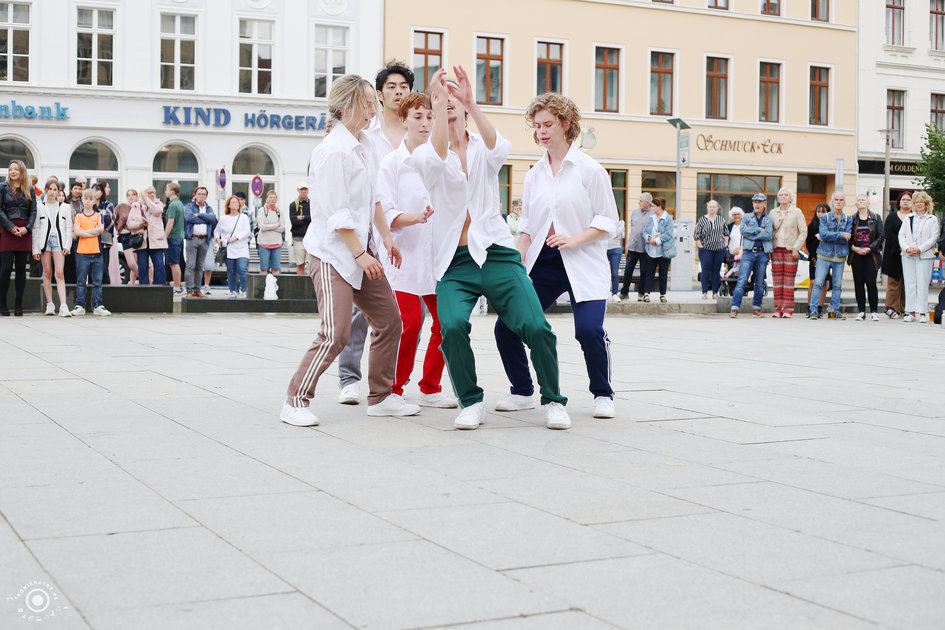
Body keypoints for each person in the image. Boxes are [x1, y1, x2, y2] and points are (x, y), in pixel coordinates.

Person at [408, 68, 569, 430]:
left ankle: (553, 401)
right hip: (454, 261)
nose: (448, 103)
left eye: (454, 99)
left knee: (536, 326)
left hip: (497, 253)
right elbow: (436, 158)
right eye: (440, 101)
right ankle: (471, 402)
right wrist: (437, 104)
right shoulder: (423, 154)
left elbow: (500, 147)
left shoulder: (484, 146)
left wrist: (471, 102)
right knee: (451, 327)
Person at [281, 74, 420, 427]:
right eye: (367, 102)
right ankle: (295, 400)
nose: (373, 108)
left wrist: (386, 239)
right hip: (333, 255)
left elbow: (374, 199)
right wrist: (360, 254)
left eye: (373, 102)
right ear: (347, 106)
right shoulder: (332, 151)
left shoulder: (364, 145)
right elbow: (335, 212)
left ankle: (381, 397)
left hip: (362, 252)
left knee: (389, 321)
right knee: (336, 333)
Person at [494, 92, 618, 419]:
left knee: (589, 331)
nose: (541, 131)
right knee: (506, 327)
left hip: (583, 260)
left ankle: (603, 394)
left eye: (548, 124)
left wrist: (576, 239)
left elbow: (609, 221)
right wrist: (515, 262)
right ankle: (522, 391)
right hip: (543, 263)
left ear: (566, 123)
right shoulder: (534, 174)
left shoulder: (590, 170)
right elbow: (527, 227)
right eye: (537, 126)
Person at [335, 60, 416, 406]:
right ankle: (349, 378)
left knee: (404, 313)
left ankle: (391, 385)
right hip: (369, 234)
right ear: (379, 95)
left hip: (410, 234)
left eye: (404, 87)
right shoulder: (368, 137)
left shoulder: (420, 135)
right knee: (359, 312)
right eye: (391, 87)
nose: (398, 92)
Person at [376, 91, 457, 409]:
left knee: (447, 322)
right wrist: (416, 217)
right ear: (404, 120)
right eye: (418, 117)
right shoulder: (392, 163)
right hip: (403, 257)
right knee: (408, 323)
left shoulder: (443, 159)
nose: (425, 123)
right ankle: (394, 388)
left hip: (438, 257)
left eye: (429, 117)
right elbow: (385, 211)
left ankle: (430, 387)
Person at [0, 159, 36, 316]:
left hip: (24, 231)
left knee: (21, 268)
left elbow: (33, 211)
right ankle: (2, 303)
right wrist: (10, 227)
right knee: (6, 267)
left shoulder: (30, 189)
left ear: (22, 171)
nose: (12, 172)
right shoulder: (2, 187)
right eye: (10, 169)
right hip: (7, 230)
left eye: (15, 169)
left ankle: (18, 304)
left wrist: (27, 228)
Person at [808, 190, 852, 320]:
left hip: (840, 256)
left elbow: (847, 238)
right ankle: (813, 310)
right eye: (836, 200)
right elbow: (824, 234)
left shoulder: (848, 219)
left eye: (841, 200)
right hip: (824, 255)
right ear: (832, 202)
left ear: (844, 202)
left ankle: (834, 311)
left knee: (837, 285)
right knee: (818, 283)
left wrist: (830, 237)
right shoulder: (824, 218)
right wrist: (841, 235)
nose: (838, 202)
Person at [32, 178, 72, 316]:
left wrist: (67, 245)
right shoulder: (39, 207)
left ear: (58, 191)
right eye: (50, 189)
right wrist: (35, 249)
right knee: (47, 272)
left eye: (55, 189)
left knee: (59, 273)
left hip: (59, 242)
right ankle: (50, 304)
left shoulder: (65, 207)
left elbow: (68, 227)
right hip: (44, 242)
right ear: (46, 190)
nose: (52, 192)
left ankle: (63, 306)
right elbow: (36, 228)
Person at [899, 190, 939, 323]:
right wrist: (907, 248)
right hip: (908, 255)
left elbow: (934, 237)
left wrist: (920, 249)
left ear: (926, 203)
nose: (919, 204)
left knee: (922, 284)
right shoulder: (908, 218)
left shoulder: (932, 219)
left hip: (925, 256)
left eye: (921, 202)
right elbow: (901, 235)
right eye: (916, 202)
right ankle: (910, 312)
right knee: (910, 284)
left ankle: (922, 312)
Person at [730, 193, 773, 318]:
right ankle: (734, 309)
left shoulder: (768, 219)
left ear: (764, 204)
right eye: (755, 202)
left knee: (759, 283)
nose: (757, 204)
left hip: (762, 253)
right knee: (742, 281)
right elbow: (743, 231)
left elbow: (768, 235)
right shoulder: (747, 217)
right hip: (748, 253)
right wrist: (759, 230)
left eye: (760, 202)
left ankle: (756, 309)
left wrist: (752, 234)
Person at [71, 189, 111, 316]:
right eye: (85, 198)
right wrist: (91, 232)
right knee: (81, 281)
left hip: (96, 252)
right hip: (82, 252)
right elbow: (77, 231)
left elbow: (100, 230)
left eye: (90, 199)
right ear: (82, 199)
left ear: (94, 201)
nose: (87, 201)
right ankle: (80, 305)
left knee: (97, 282)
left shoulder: (98, 216)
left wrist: (84, 233)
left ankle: (98, 305)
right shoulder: (79, 216)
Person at [769, 187, 806, 317]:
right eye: (781, 195)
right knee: (777, 281)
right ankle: (778, 309)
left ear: (791, 198)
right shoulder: (773, 212)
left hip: (791, 250)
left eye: (786, 195)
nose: (783, 197)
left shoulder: (797, 212)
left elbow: (803, 232)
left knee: (789, 281)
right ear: (778, 198)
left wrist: (796, 247)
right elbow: (769, 231)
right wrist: (769, 248)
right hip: (776, 250)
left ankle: (788, 309)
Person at [848, 193, 884, 321]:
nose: (861, 201)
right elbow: (848, 237)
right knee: (858, 283)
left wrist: (870, 248)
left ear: (868, 203)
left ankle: (874, 311)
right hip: (856, 255)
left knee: (871, 282)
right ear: (855, 204)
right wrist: (854, 248)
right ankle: (861, 311)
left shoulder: (876, 218)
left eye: (863, 199)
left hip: (871, 255)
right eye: (859, 200)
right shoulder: (851, 219)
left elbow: (881, 236)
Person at [129, 185, 168, 286]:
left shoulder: (158, 204)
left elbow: (157, 211)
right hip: (142, 240)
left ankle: (159, 287)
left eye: (153, 192)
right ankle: (144, 289)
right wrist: (140, 225)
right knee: (143, 266)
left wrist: (147, 199)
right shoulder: (136, 206)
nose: (152, 194)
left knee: (159, 265)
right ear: (144, 194)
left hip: (156, 240)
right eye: (149, 193)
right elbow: (129, 223)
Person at [214, 195, 252, 298]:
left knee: (242, 269)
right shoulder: (224, 218)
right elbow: (217, 231)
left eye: (237, 202)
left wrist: (236, 238)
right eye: (233, 202)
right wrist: (218, 239)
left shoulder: (243, 217)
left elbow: (247, 231)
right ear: (229, 205)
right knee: (231, 271)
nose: (236, 204)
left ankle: (244, 290)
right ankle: (233, 290)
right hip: (229, 249)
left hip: (242, 247)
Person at [618, 193, 654, 301]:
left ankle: (641, 293)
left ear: (647, 203)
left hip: (645, 248)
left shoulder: (653, 214)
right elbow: (634, 228)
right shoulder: (635, 212)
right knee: (628, 270)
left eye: (641, 201)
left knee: (644, 271)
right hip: (633, 246)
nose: (639, 202)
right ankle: (624, 293)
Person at [183, 185, 217, 297]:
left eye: (203, 194)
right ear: (195, 195)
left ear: (206, 196)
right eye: (199, 194)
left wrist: (200, 215)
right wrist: (206, 219)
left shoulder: (209, 208)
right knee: (190, 265)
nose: (201, 196)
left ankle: (197, 290)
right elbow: (189, 218)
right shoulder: (189, 206)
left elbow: (213, 220)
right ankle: (189, 290)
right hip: (192, 238)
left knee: (200, 266)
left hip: (205, 240)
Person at [881, 191, 911, 318]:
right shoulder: (892, 217)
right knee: (894, 282)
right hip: (894, 254)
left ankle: (903, 308)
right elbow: (889, 234)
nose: (906, 202)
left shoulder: (914, 217)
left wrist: (909, 248)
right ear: (899, 202)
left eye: (908, 200)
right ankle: (891, 308)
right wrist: (901, 246)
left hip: (910, 254)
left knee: (907, 283)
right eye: (903, 199)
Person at [694, 200, 729, 299]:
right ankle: (704, 292)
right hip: (706, 249)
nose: (712, 208)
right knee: (705, 270)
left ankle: (715, 292)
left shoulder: (721, 219)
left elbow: (726, 233)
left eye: (714, 207)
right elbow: (696, 235)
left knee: (716, 271)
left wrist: (725, 243)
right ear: (707, 208)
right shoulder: (702, 220)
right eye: (710, 206)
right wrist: (700, 245)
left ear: (717, 208)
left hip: (719, 249)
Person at [642, 197, 674, 303]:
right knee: (649, 272)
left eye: (654, 206)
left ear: (660, 206)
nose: (652, 208)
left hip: (664, 251)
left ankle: (662, 295)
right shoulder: (651, 218)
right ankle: (646, 294)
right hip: (651, 250)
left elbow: (668, 234)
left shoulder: (668, 218)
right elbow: (645, 231)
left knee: (663, 274)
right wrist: (649, 239)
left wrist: (657, 241)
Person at [805, 203, 831, 317]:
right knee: (813, 282)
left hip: (826, 258)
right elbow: (808, 243)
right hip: (814, 258)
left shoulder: (830, 226)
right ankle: (810, 307)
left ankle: (819, 308)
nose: (820, 214)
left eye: (823, 212)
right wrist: (814, 257)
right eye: (818, 211)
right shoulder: (812, 226)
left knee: (824, 282)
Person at [89, 181, 114, 285]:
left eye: (98, 190)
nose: (96, 192)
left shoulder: (108, 204)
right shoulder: (89, 204)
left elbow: (108, 219)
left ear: (102, 192)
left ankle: (106, 291)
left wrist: (95, 218)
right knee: (91, 268)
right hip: (90, 240)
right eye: (94, 190)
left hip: (104, 240)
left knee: (103, 267)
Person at [163, 184, 185, 298]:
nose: (165, 192)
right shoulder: (180, 203)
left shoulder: (172, 205)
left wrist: (164, 237)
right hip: (179, 237)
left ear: (172, 192)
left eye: (167, 190)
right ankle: (178, 287)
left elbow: (170, 223)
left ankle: (177, 288)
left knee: (174, 264)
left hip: (172, 237)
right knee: (176, 263)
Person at [113, 189, 139, 284]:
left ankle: (132, 284)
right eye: (129, 195)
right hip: (125, 236)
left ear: (137, 196)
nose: (131, 197)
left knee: (135, 263)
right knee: (131, 264)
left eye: (133, 195)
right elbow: (113, 218)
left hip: (137, 236)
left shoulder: (138, 207)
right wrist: (117, 230)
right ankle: (145, 278)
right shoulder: (121, 207)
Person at [256, 190, 284, 275]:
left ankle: (275, 284)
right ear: (266, 199)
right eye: (270, 197)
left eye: (274, 197)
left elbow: (282, 228)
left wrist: (268, 225)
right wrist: (276, 225)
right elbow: (262, 227)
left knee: (275, 269)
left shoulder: (280, 211)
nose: (272, 199)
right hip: (264, 243)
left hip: (277, 243)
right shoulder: (262, 210)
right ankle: (263, 284)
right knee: (264, 269)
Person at [288, 182, 311, 275]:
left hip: (311, 239)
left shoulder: (312, 204)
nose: (303, 191)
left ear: (308, 190)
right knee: (300, 264)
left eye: (305, 189)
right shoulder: (293, 205)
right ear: (298, 190)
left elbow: (314, 219)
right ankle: (300, 283)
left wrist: (302, 217)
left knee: (311, 265)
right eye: (302, 189)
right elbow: (294, 221)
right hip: (298, 239)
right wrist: (307, 219)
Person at [606, 216, 625, 302]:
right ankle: (604, 293)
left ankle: (614, 293)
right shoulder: (605, 221)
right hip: (604, 249)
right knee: (604, 273)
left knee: (614, 273)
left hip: (615, 250)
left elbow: (616, 233)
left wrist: (606, 233)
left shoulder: (621, 223)